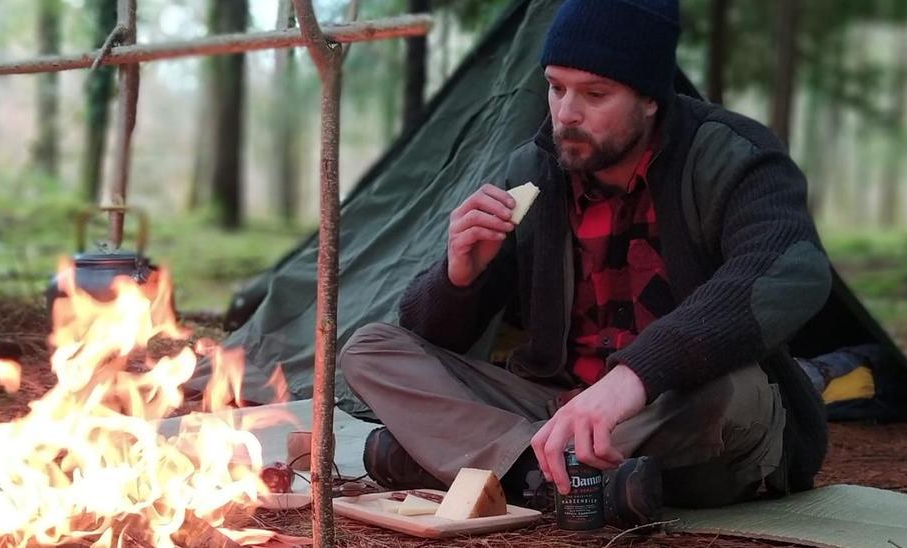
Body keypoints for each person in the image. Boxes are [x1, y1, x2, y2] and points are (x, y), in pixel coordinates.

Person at [338, 0, 836, 528]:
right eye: (556, 88)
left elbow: (789, 270)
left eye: (595, 94)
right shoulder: (532, 170)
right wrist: (459, 276)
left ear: (649, 99)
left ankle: (477, 462)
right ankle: (544, 474)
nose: (566, 113)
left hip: (667, 404)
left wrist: (632, 379)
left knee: (739, 393)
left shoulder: (732, 155)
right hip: (551, 406)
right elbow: (432, 336)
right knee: (370, 348)